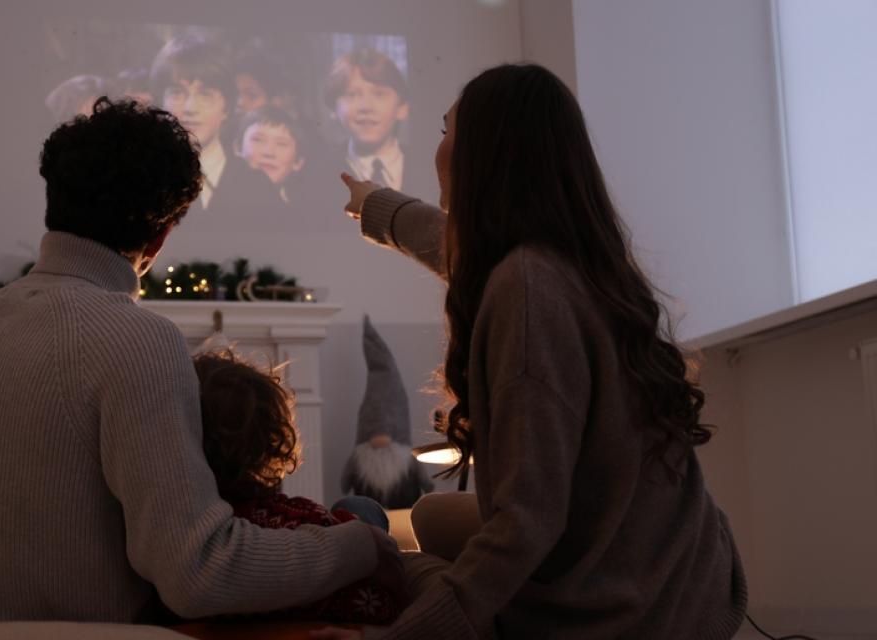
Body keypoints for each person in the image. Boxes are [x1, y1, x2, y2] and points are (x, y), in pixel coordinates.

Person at [0, 98, 403, 639]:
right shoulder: (136, 340)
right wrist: (359, 544)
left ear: (55, 201)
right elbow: (200, 572)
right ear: (159, 238)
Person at [316, 64, 748, 639]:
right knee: (430, 516)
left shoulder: (526, 292)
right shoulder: (575, 260)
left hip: (626, 614)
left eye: (446, 134)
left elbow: (526, 525)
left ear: (485, 155)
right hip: (688, 568)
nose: (438, 151)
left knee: (384, 552)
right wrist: (378, 207)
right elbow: (452, 249)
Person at [192, 350, 405, 624]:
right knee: (358, 507)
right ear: (271, 441)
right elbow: (383, 600)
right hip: (345, 558)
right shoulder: (302, 519)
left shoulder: (192, 519)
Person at [150, 36, 280, 217]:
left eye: (205, 95)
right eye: (177, 93)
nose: (190, 108)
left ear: (227, 107)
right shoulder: (142, 181)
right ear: (161, 103)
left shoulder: (257, 187)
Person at [324, 48, 410, 192]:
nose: (366, 107)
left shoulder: (434, 168)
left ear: (402, 108)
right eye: (352, 95)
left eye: (379, 94)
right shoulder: (317, 176)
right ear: (334, 110)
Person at [235, 106, 307, 206]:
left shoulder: (305, 217)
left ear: (298, 162)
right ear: (238, 148)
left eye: (282, 144)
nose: (269, 152)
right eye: (258, 140)